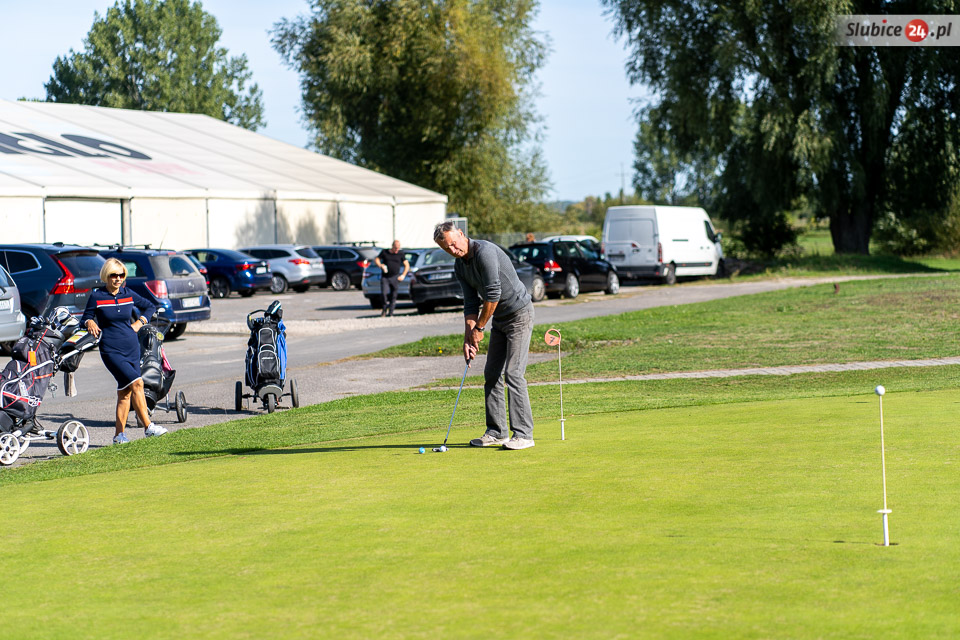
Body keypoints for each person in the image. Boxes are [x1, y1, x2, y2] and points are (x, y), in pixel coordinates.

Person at [433, 221, 535, 450]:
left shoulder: (485, 252)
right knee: (491, 373)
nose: (453, 250)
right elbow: (471, 303)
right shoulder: (460, 266)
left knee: (513, 373)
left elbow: (493, 294)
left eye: (454, 243)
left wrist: (478, 329)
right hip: (499, 318)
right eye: (447, 248)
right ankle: (497, 432)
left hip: (519, 314)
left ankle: (524, 435)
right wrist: (468, 338)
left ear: (461, 234)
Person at [81, 258, 168, 444]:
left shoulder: (128, 294)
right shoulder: (97, 296)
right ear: (106, 276)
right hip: (111, 350)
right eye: (114, 275)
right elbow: (85, 318)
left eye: (121, 275)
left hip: (132, 347)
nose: (118, 279)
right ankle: (148, 427)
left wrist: (140, 323)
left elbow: (150, 306)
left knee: (125, 392)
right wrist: (89, 322)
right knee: (137, 383)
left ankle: (119, 436)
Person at [374, 240, 410, 317]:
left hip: (395, 277)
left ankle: (391, 312)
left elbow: (407, 265)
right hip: (385, 277)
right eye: (396, 248)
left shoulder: (401, 254)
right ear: (392, 246)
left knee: (393, 295)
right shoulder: (385, 252)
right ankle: (384, 309)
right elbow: (377, 259)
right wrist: (380, 265)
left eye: (398, 248)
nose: (397, 250)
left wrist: (403, 275)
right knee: (384, 293)